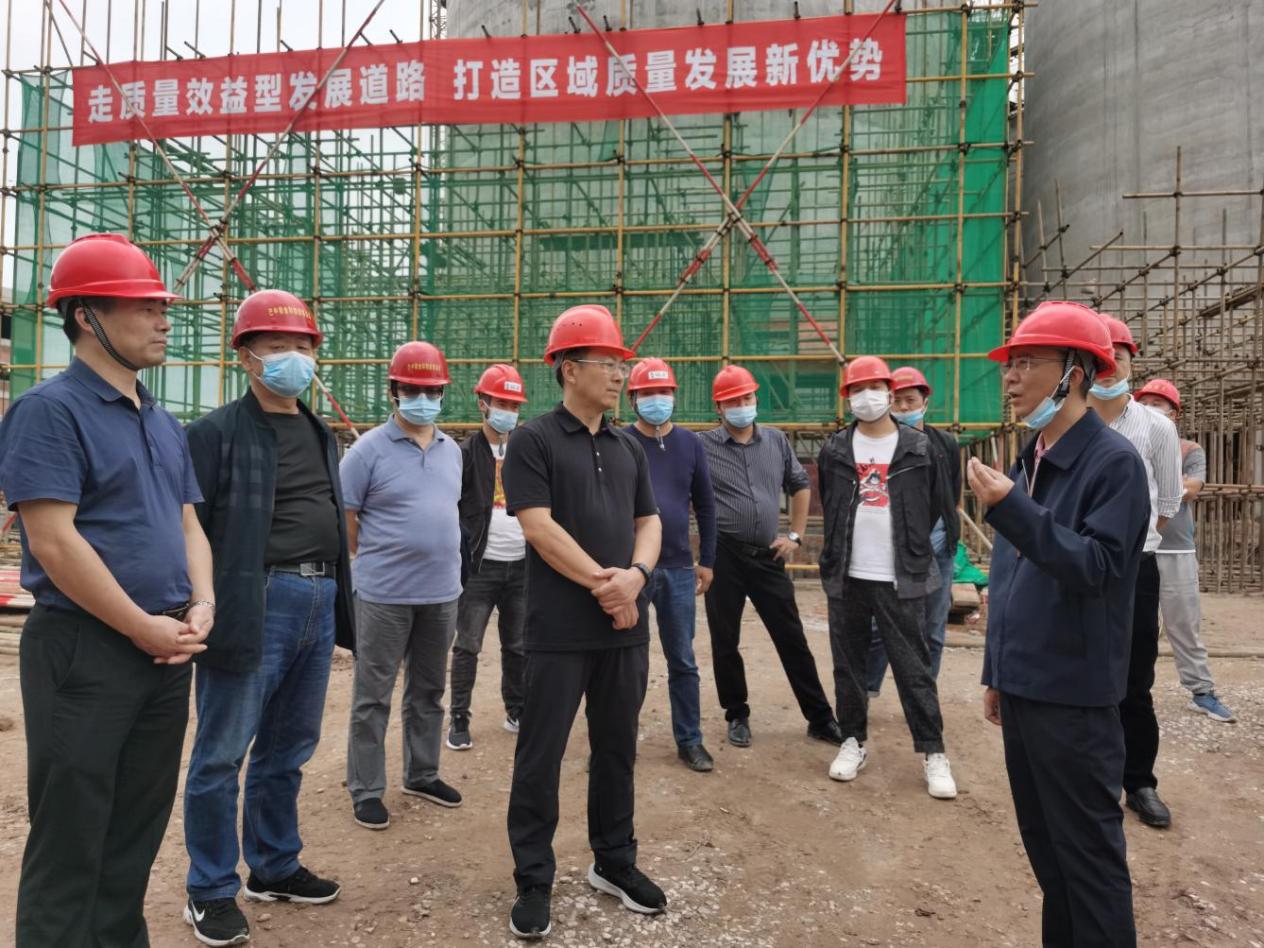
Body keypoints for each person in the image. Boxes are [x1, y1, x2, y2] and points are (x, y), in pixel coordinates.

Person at [0, 233, 214, 947]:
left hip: (164, 650)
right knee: (73, 832)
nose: (164, 320)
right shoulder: (49, 411)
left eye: (162, 307)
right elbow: (55, 541)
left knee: (134, 829)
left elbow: (188, 524)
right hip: (86, 649)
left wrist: (201, 603)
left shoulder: (161, 420)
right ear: (86, 316)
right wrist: (137, 624)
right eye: (145, 307)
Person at [972, 300, 1148, 947]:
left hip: (1073, 699)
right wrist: (997, 669)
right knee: (1050, 856)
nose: (1010, 377)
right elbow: (1010, 575)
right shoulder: (1032, 458)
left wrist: (1012, 508)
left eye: (1026, 363)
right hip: (1025, 687)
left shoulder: (1113, 464)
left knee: (1089, 865)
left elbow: (1097, 566)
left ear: (1074, 373)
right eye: (1009, 364)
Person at [182, 289, 355, 944]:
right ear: (246, 357)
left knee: (289, 748)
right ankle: (209, 888)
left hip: (317, 596)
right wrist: (202, 602)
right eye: (278, 346)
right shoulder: (215, 434)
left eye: (303, 346)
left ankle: (274, 865)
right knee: (222, 754)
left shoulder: (318, 430)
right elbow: (188, 528)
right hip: (254, 599)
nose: (294, 358)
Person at [503, 305, 666, 940]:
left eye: (623, 364)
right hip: (559, 631)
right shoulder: (534, 440)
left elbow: (649, 522)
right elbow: (538, 527)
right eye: (608, 364)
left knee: (617, 747)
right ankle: (533, 877)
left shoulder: (628, 446)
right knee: (540, 754)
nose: (622, 375)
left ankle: (614, 860)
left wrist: (637, 578)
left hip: (624, 630)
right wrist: (608, 585)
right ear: (569, 369)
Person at [817, 356, 956, 799]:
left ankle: (933, 752)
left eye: (874, 387)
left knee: (914, 667)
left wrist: (910, 544)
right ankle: (852, 741)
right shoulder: (835, 449)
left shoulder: (919, 447)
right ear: (847, 397)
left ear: (889, 392)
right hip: (848, 573)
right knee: (849, 665)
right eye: (857, 389)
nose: (867, 396)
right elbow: (830, 501)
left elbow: (935, 504)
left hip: (902, 573)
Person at [342, 341, 465, 831]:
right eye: (413, 390)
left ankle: (422, 773)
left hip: (442, 593)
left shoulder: (452, 451)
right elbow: (347, 519)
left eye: (432, 391)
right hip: (384, 595)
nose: (423, 399)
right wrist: (380, 556)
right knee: (373, 696)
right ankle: (367, 789)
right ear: (393, 391)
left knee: (429, 690)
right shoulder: (367, 451)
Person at [699, 364, 841, 749]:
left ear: (756, 398)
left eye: (746, 397)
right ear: (718, 407)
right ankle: (737, 714)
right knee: (725, 639)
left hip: (768, 557)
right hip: (724, 554)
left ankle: (820, 717)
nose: (741, 405)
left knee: (791, 636)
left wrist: (795, 535)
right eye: (732, 401)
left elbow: (799, 485)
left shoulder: (776, 441)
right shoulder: (702, 447)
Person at [1088, 316, 1183, 830]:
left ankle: (1139, 781)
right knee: (1078, 669)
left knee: (1134, 678)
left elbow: (1166, 503)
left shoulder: (1156, 427)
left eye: (1118, 358)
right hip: (1077, 565)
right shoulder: (1069, 422)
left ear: (1130, 362)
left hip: (1135, 569)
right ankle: (1085, 776)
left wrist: (1130, 542)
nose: (1109, 368)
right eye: (1099, 359)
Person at [623, 357, 719, 773]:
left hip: (679, 568)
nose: (657, 400)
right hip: (632, 569)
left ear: (674, 396)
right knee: (625, 660)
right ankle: (615, 740)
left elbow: (707, 505)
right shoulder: (620, 442)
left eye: (663, 392)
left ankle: (690, 740)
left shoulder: (690, 444)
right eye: (648, 393)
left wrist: (707, 560)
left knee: (682, 659)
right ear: (633, 399)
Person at [1135, 379, 1235, 723]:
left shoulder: (1189, 449)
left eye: (1158, 404)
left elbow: (1192, 488)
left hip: (1176, 550)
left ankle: (1201, 691)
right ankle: (1125, 695)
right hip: (1137, 549)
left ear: (1174, 413)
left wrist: (1153, 481)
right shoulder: (1129, 443)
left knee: (1184, 626)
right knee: (1132, 628)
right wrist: (1168, 482)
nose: (1149, 408)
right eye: (1144, 402)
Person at [448, 363, 530, 750]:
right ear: (483, 403)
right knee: (468, 645)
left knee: (518, 645)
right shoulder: (465, 453)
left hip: (522, 566)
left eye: (513, 405)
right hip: (480, 567)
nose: (507, 411)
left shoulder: (527, 451)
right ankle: (458, 718)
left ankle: (517, 709)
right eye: (501, 403)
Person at [866, 366, 961, 694]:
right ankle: (866, 688)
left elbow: (952, 494)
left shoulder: (945, 444)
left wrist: (950, 534)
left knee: (933, 628)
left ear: (925, 402)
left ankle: (922, 695)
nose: (904, 408)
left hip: (938, 546)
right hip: (894, 549)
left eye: (911, 400)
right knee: (881, 624)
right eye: (898, 401)